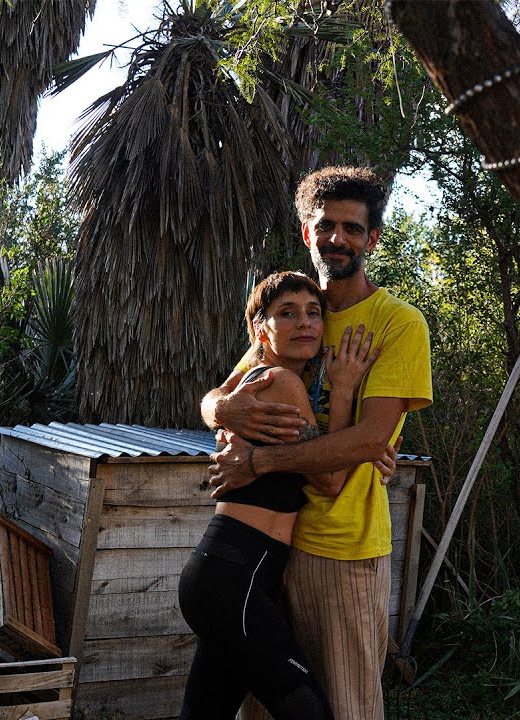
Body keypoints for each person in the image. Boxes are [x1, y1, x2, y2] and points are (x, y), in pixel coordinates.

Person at [200, 166, 433, 720]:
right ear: (307, 232)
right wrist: (220, 410)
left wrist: (260, 460)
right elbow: (221, 397)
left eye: (353, 228)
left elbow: (370, 440)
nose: (337, 238)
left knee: (346, 705)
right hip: (269, 544)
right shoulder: (297, 311)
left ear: (372, 239)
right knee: (266, 708)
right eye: (325, 225)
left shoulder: (398, 323)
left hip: (343, 549)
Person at [178, 271, 388, 720]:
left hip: (224, 575)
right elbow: (329, 479)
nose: (305, 322)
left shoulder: (264, 381)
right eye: (287, 314)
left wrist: (371, 449)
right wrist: (345, 391)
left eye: (314, 313)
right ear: (261, 330)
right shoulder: (279, 382)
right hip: (232, 580)